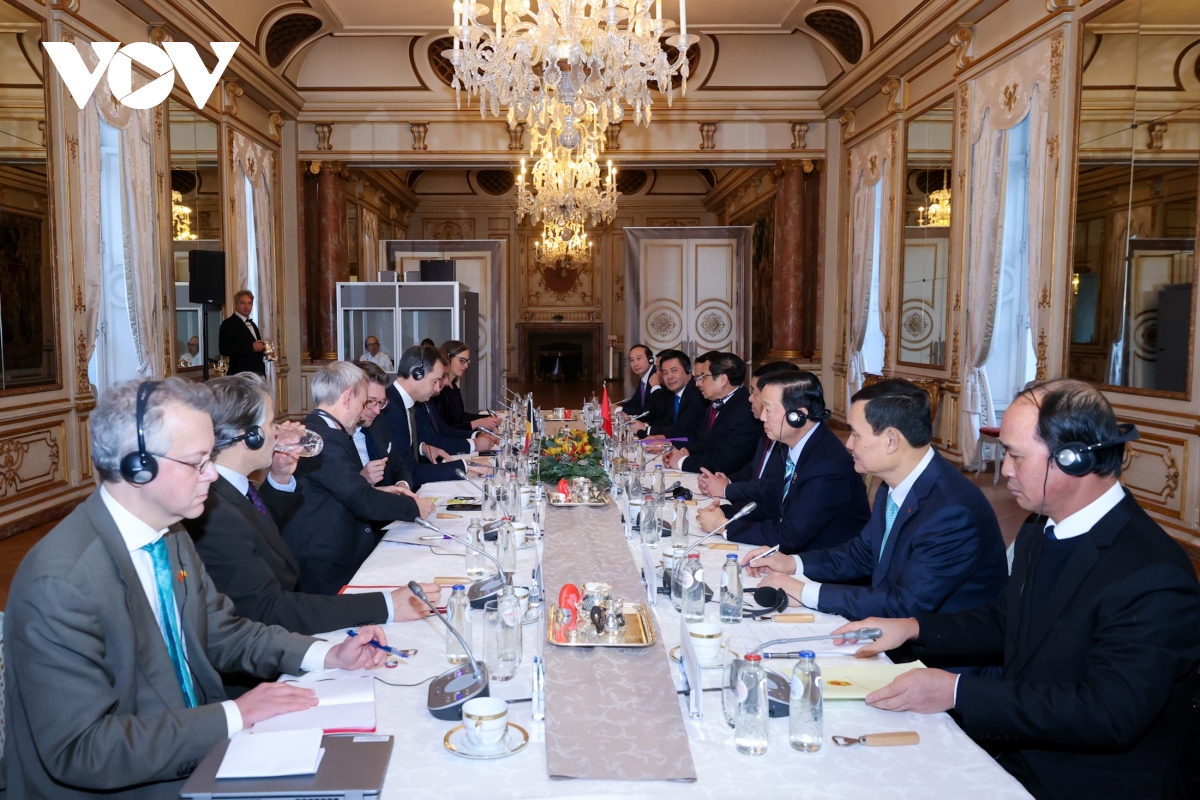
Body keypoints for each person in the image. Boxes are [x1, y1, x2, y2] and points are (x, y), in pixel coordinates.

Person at [3, 378, 389, 798]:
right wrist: (234, 716)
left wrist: (325, 654)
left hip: (195, 751)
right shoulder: (60, 584)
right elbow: (84, 751)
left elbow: (222, 630)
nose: (212, 474)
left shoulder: (169, 533)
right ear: (138, 467)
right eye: (197, 462)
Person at [833, 379, 1200, 800]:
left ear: (1074, 461)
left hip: (1089, 780)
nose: (1005, 469)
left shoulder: (1151, 573)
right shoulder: (1039, 528)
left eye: (1015, 455)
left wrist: (955, 691)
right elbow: (1005, 620)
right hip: (1022, 751)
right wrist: (912, 628)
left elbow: (1107, 713)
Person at [186, 373, 439, 644]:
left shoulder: (233, 489)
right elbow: (269, 609)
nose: (277, 432)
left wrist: (280, 478)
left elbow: (260, 524)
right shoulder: (212, 511)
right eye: (271, 423)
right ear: (250, 436)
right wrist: (387, 605)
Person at [745, 378, 1007, 624]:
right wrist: (793, 564)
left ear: (891, 440)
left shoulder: (950, 512)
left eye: (856, 434)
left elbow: (904, 606)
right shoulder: (893, 482)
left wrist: (805, 591)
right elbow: (863, 553)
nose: (848, 444)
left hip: (931, 651)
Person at [282, 362, 434, 595]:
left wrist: (381, 491)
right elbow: (360, 499)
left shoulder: (325, 431)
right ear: (347, 398)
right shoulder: (322, 437)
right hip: (323, 561)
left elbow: (341, 489)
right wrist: (414, 507)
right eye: (364, 402)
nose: (365, 411)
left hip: (333, 550)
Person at [700, 371, 869, 553]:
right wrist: (726, 513)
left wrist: (725, 527)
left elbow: (791, 536)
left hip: (818, 562)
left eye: (769, 410)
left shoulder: (827, 465)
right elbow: (769, 503)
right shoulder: (788, 445)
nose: (763, 417)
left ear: (797, 416)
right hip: (790, 552)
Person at [698, 361, 801, 517]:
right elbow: (755, 469)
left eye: (755, 393)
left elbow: (768, 490)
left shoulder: (788, 439)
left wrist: (727, 490)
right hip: (754, 508)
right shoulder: (769, 428)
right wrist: (727, 481)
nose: (750, 398)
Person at [661, 351, 759, 475]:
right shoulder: (718, 402)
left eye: (703, 377)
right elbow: (700, 440)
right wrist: (685, 451)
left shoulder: (743, 412)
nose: (698, 383)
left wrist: (682, 461)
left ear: (723, 379)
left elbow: (724, 461)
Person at [383, 344, 468, 487]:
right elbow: (410, 471)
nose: (437, 388)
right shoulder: (391, 409)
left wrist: (421, 448)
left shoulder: (403, 403)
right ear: (417, 374)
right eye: (434, 381)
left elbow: (400, 450)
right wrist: (463, 467)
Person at [356, 361, 413, 488]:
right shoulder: (337, 435)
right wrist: (362, 480)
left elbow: (399, 466)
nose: (377, 411)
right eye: (370, 401)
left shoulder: (379, 421)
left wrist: (402, 485)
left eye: (381, 402)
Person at [416, 373, 500, 457]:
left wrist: (477, 434)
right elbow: (433, 441)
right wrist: (473, 444)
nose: (447, 382)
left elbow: (446, 430)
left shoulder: (428, 402)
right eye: (440, 378)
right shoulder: (420, 404)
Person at [630, 349, 704, 439]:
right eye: (665, 373)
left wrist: (647, 429)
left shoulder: (696, 395)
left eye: (674, 370)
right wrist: (645, 425)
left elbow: (683, 430)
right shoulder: (678, 393)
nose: (669, 377)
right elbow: (668, 422)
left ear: (688, 370)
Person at [433, 340, 500, 432]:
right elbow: (446, 430)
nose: (466, 365)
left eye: (467, 361)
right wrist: (479, 423)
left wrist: (488, 418)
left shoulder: (454, 387)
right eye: (462, 360)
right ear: (448, 358)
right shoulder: (438, 391)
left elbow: (461, 417)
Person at [218, 289, 266, 376]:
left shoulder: (253, 324)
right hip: (239, 374)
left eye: (249, 303)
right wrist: (251, 347)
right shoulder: (228, 324)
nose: (246, 306)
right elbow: (224, 349)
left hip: (256, 374)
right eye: (243, 303)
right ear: (236, 304)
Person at [616, 344, 660, 418]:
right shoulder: (643, 378)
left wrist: (618, 409)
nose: (635, 364)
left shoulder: (657, 377)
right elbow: (634, 402)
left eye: (639, 358)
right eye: (632, 360)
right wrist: (616, 407)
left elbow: (649, 411)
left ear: (650, 359)